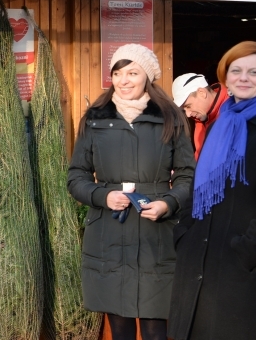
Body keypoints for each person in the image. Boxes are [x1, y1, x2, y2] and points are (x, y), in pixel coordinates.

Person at [168, 42, 256, 340]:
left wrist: (244, 254)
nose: (243, 78)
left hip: (244, 282)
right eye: (236, 71)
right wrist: (184, 235)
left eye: (253, 72)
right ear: (226, 79)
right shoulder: (217, 127)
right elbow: (197, 190)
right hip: (199, 272)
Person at [67, 44, 195, 340]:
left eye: (132, 73)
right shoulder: (95, 119)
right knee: (120, 327)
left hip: (156, 235)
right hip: (109, 234)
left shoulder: (170, 117)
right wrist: (102, 196)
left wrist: (168, 203)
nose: (123, 80)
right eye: (117, 73)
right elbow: (76, 176)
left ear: (147, 76)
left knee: (155, 328)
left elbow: (188, 175)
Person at [171, 72, 229, 160]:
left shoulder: (235, 109)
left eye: (188, 106)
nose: (188, 114)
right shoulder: (200, 121)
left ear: (202, 93)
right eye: (184, 110)